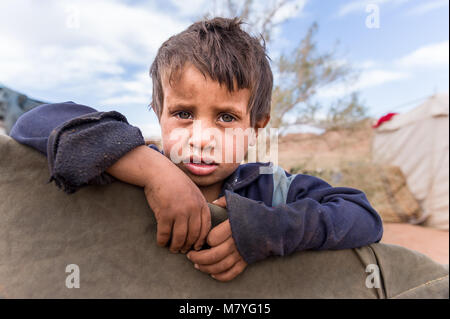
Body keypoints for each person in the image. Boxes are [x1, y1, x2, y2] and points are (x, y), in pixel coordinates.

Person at [10, 17, 383, 282]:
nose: (201, 138)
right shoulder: (128, 165)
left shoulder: (275, 189)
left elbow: (363, 216)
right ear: (158, 114)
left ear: (256, 127)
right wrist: (155, 172)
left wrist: (268, 228)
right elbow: (30, 124)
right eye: (183, 114)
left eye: (226, 118)